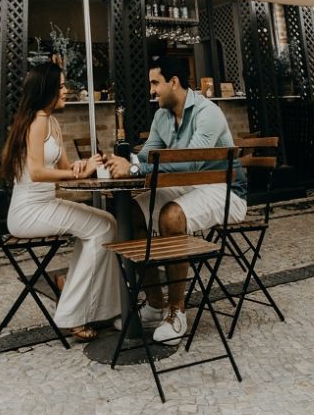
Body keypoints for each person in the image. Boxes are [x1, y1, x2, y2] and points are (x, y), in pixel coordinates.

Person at [106, 55, 247, 344]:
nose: (151, 91)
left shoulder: (208, 113)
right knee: (131, 212)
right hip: (190, 187)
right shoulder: (162, 117)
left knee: (171, 215)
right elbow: (147, 156)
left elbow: (191, 162)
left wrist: (133, 169)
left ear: (174, 82)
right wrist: (119, 161)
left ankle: (177, 310)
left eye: (155, 83)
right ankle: (156, 304)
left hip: (224, 189)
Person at [2, 61, 120, 341]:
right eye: (62, 86)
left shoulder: (52, 121)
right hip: (29, 210)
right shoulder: (37, 121)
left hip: (46, 204)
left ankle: (82, 296)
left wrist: (84, 165)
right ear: (47, 91)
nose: (67, 91)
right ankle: (72, 312)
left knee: (108, 223)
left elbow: (66, 169)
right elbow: (38, 172)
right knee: (103, 228)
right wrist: (74, 171)